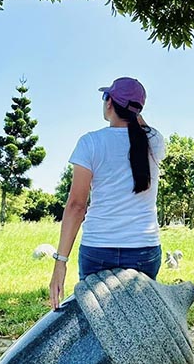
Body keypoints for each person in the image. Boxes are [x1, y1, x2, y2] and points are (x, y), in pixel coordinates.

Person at [49, 77, 166, 309]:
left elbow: (76, 206)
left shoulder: (91, 143)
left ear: (109, 102)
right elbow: (140, 126)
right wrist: (133, 110)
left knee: (98, 324)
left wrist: (60, 262)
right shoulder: (154, 141)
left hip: (98, 249)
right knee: (140, 321)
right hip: (144, 250)